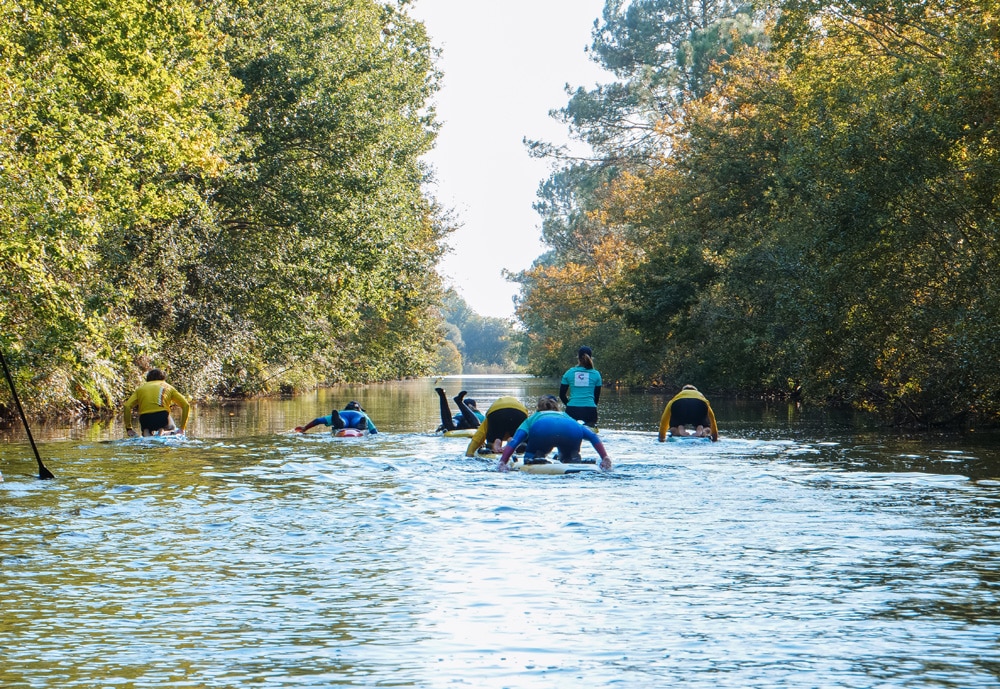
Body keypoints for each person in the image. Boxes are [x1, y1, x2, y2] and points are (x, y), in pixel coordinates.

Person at [498, 395, 611, 471]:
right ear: (557, 408)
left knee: (531, 456)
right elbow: (592, 436)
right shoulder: (566, 416)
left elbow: (515, 441)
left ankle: (535, 456)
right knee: (568, 455)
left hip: (542, 428)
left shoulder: (534, 417)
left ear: (538, 408)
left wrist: (503, 461)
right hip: (571, 429)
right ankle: (571, 457)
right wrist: (605, 457)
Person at [123, 368, 191, 437]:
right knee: (171, 427)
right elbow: (186, 405)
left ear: (148, 379)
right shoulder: (168, 387)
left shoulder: (140, 389)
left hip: (145, 418)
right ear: (163, 378)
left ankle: (147, 433)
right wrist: (182, 428)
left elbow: (127, 406)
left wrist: (129, 428)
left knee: (146, 431)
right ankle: (164, 432)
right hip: (162, 417)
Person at [463, 395, 530, 456]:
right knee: (521, 438)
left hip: (495, 412)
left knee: (492, 439)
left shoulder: (487, 420)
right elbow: (529, 431)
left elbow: (479, 435)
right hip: (520, 412)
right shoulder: (526, 420)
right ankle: (512, 441)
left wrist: (469, 453)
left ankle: (495, 443)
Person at [559, 345, 602, 427]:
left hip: (572, 409)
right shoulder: (596, 374)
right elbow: (596, 398)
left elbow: (562, 395)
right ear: (591, 357)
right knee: (591, 435)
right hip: (590, 410)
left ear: (578, 358)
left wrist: (569, 405)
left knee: (571, 436)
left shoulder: (569, 373)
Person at [295, 401, 378, 434]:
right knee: (357, 421)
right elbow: (374, 431)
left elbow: (317, 420)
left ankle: (340, 423)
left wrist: (304, 428)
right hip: (358, 417)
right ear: (359, 409)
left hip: (342, 416)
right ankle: (360, 424)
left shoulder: (342, 412)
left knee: (343, 422)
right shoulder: (363, 414)